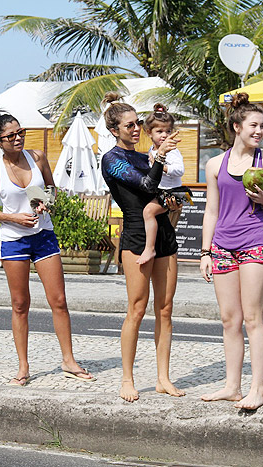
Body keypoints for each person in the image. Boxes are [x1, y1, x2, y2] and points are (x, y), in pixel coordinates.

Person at [0, 108, 93, 386]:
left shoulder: (38, 157)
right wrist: (13, 217)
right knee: (20, 304)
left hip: (43, 235)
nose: (18, 138)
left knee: (59, 301)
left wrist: (44, 202)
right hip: (13, 239)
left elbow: (53, 190)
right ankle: (23, 367)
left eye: (21, 132)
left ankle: (68, 360)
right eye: (11, 136)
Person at [199, 92, 263, 410]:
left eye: (262, 126)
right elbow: (211, 210)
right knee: (229, 319)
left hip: (255, 244)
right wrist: (205, 252)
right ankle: (232, 386)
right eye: (253, 125)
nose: (259, 131)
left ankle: (257, 390)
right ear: (237, 126)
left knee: (252, 318)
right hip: (222, 246)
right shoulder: (214, 164)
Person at [100, 93, 184, 402]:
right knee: (136, 309)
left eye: (138, 123)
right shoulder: (112, 159)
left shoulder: (146, 154)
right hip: (136, 235)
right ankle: (127, 378)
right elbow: (148, 186)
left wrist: (174, 201)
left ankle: (163, 377)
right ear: (114, 130)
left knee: (165, 309)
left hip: (163, 232)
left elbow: (162, 191)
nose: (136, 129)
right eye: (130, 125)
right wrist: (160, 157)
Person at [137, 104, 184, 265]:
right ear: (149, 133)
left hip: (173, 192)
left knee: (148, 212)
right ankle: (153, 245)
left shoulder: (172, 150)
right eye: (160, 131)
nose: (164, 135)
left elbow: (179, 170)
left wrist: (162, 166)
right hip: (162, 192)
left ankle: (149, 248)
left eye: (168, 131)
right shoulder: (151, 150)